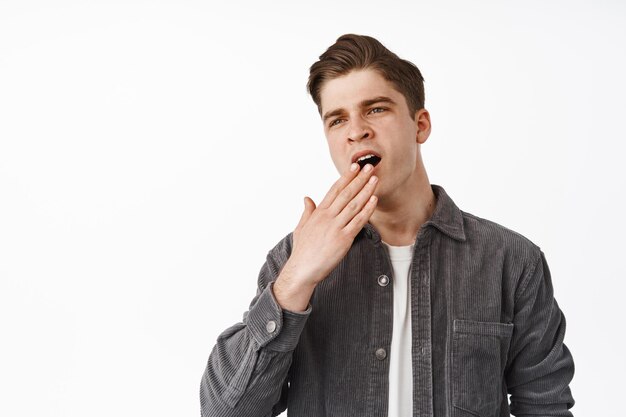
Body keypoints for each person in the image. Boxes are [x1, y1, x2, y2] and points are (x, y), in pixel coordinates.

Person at [199, 33, 575, 417]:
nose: (356, 130)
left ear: (421, 125)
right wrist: (297, 279)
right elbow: (226, 411)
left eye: (376, 109)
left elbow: (546, 406)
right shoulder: (293, 258)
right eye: (337, 119)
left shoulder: (510, 260)